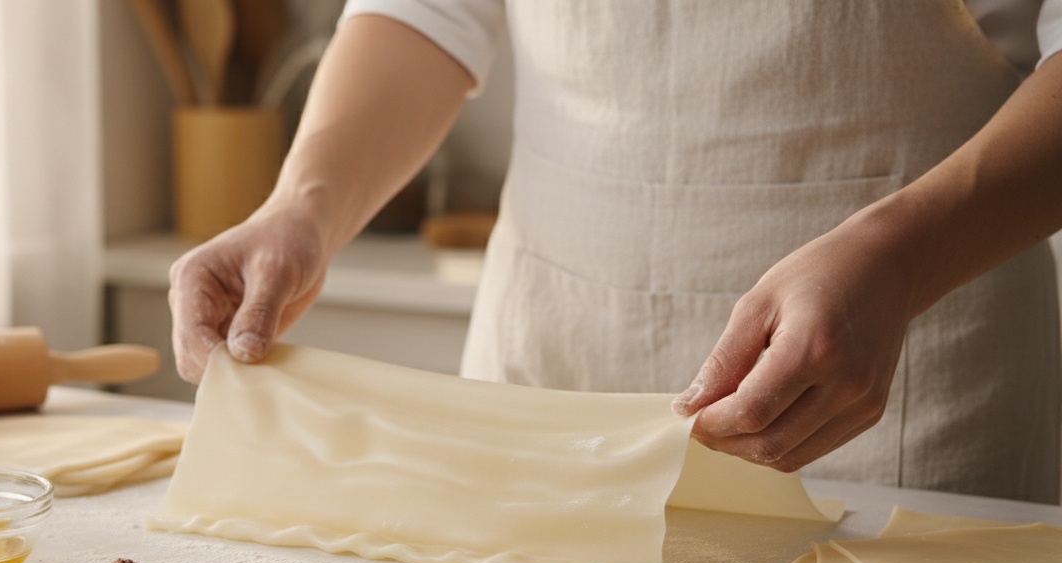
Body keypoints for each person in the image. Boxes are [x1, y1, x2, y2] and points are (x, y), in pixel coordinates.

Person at [168, 1, 1062, 503]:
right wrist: (302, 205)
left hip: (909, 359)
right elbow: (428, 9)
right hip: (551, 361)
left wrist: (902, 258)